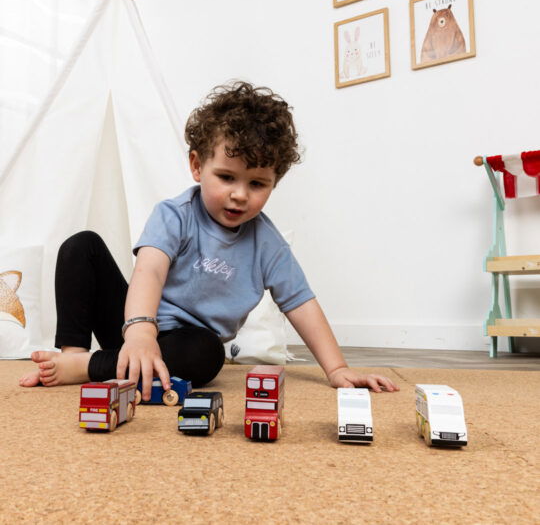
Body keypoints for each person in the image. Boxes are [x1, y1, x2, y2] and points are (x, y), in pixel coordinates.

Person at [19, 81, 399, 399]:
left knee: (206, 356)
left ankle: (89, 369)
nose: (239, 194)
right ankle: (74, 356)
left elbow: (302, 304)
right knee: (81, 245)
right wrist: (139, 331)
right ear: (197, 166)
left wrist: (337, 369)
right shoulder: (176, 214)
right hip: (135, 323)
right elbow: (149, 273)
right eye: (226, 177)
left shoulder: (268, 245)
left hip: (185, 344)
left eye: (257, 184)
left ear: (274, 183)